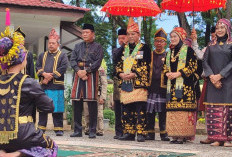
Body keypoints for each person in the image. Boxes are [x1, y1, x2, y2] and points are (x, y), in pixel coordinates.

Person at [0, 23, 57, 156]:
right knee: (51, 147)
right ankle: (15, 154)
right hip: (24, 135)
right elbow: (49, 107)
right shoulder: (29, 82)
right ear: (21, 59)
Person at [116, 17, 151, 142]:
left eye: (133, 34)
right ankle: (129, 133)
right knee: (126, 109)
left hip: (139, 83)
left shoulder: (144, 48)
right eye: (129, 34)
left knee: (140, 109)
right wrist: (120, 74)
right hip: (125, 82)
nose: (130, 36)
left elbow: (146, 65)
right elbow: (117, 64)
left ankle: (141, 133)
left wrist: (134, 73)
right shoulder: (124, 49)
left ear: (138, 35)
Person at [163, 27, 198, 144]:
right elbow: (165, 67)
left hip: (185, 87)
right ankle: (174, 135)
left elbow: (193, 66)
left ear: (181, 37)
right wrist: (167, 73)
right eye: (171, 37)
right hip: (172, 86)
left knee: (182, 111)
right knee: (173, 110)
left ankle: (182, 136)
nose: (172, 39)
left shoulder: (189, 51)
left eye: (175, 36)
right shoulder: (169, 53)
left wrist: (179, 73)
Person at [70, 23, 103, 138]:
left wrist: (86, 71)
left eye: (87, 32)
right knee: (76, 102)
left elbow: (98, 62)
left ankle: (92, 130)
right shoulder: (77, 46)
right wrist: (79, 71)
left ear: (92, 34)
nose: (84, 34)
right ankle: (77, 130)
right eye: (83, 32)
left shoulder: (98, 47)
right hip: (78, 73)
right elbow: (72, 60)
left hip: (92, 75)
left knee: (92, 103)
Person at [203, 18, 232, 147]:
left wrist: (220, 75)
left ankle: (228, 138)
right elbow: (205, 62)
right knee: (214, 109)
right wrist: (212, 77)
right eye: (217, 28)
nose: (219, 30)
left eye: (222, 28)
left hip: (228, 81)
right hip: (212, 82)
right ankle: (216, 137)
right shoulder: (211, 44)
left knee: (227, 109)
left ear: (227, 29)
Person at [36, 29, 68, 136]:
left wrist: (50, 77)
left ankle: (58, 129)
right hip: (43, 87)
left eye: (53, 43)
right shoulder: (42, 55)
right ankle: (41, 128)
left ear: (57, 44)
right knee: (42, 108)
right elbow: (38, 67)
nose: (50, 45)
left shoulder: (62, 55)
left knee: (57, 108)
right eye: (49, 43)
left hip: (57, 87)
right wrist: (44, 74)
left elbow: (63, 67)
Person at [191, 26, 216, 145]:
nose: (213, 38)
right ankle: (210, 135)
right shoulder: (208, 47)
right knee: (207, 108)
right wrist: (194, 41)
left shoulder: (227, 46)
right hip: (208, 80)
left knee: (221, 108)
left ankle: (223, 135)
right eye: (212, 36)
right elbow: (200, 55)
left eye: (215, 35)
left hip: (221, 80)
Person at [146, 28, 170, 141]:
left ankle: (163, 133)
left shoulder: (168, 55)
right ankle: (150, 133)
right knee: (150, 111)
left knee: (162, 111)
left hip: (163, 87)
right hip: (150, 87)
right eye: (157, 41)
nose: (159, 43)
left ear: (165, 43)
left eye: (161, 41)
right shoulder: (149, 55)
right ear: (154, 42)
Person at [84, 62, 107, 136]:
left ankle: (100, 130)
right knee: (87, 112)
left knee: (99, 114)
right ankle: (87, 129)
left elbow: (104, 83)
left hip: (97, 94)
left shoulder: (100, 68)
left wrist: (103, 97)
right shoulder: (85, 67)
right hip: (87, 93)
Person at [112, 28, 128, 139]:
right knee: (118, 107)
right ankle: (118, 131)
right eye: (119, 39)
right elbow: (116, 58)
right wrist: (123, 46)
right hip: (118, 81)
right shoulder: (116, 50)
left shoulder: (132, 50)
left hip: (129, 81)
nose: (121, 40)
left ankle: (128, 130)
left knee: (127, 107)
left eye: (123, 38)